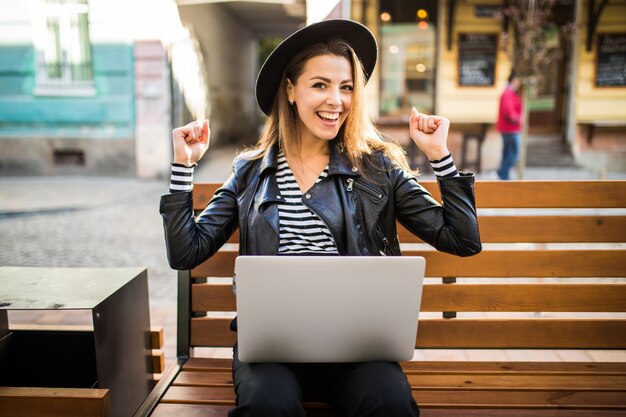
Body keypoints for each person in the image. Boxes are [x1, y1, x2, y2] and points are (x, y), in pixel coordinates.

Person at [160, 19, 481, 417]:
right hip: (271, 352)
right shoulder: (250, 171)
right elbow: (185, 252)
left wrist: (440, 158)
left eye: (346, 87)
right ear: (291, 90)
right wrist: (183, 167)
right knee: (266, 407)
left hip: (358, 349)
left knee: (390, 404)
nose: (336, 100)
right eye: (320, 85)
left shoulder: (378, 169)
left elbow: (462, 240)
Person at [496, 71, 522, 180]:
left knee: (508, 152)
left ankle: (503, 175)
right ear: (513, 80)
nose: (519, 83)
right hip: (510, 129)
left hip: (509, 128)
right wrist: (517, 119)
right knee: (513, 153)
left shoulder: (510, 92)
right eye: (518, 80)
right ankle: (502, 174)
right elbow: (509, 111)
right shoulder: (508, 93)